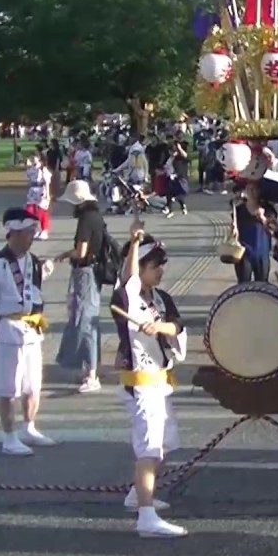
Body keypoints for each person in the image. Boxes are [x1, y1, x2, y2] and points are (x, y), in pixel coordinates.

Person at [111, 224, 188, 536]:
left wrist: (160, 328)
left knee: (166, 442)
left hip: (160, 381)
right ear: (139, 267)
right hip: (140, 383)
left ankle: (136, 494)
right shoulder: (126, 299)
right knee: (149, 448)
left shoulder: (161, 297)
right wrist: (133, 242)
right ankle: (146, 516)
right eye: (155, 267)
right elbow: (127, 281)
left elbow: (177, 325)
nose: (160, 272)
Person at [0, 208, 57, 455]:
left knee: (32, 384)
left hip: (31, 327)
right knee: (7, 386)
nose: (32, 237)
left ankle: (29, 427)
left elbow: (36, 291)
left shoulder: (32, 261)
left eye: (33, 232)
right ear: (14, 234)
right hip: (8, 328)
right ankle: (9, 435)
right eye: (27, 233)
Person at [55, 181, 111, 393]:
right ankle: (92, 366)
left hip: (85, 272)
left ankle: (91, 373)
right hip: (94, 271)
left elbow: (81, 252)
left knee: (85, 321)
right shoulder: (96, 217)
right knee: (89, 319)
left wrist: (65, 254)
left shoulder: (85, 221)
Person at [230, 182, 274, 284]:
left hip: (262, 253)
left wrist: (263, 218)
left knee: (262, 285)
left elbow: (273, 231)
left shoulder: (268, 209)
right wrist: (233, 230)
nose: (251, 191)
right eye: (249, 189)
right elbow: (234, 233)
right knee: (243, 285)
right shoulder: (239, 210)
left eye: (254, 189)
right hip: (243, 253)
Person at [24, 153, 53, 240]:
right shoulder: (31, 169)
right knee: (29, 210)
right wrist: (28, 166)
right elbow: (29, 177)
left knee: (42, 211)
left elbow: (47, 182)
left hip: (42, 191)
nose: (34, 160)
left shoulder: (43, 170)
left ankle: (44, 231)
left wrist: (48, 194)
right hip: (33, 191)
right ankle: (35, 230)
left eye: (36, 159)